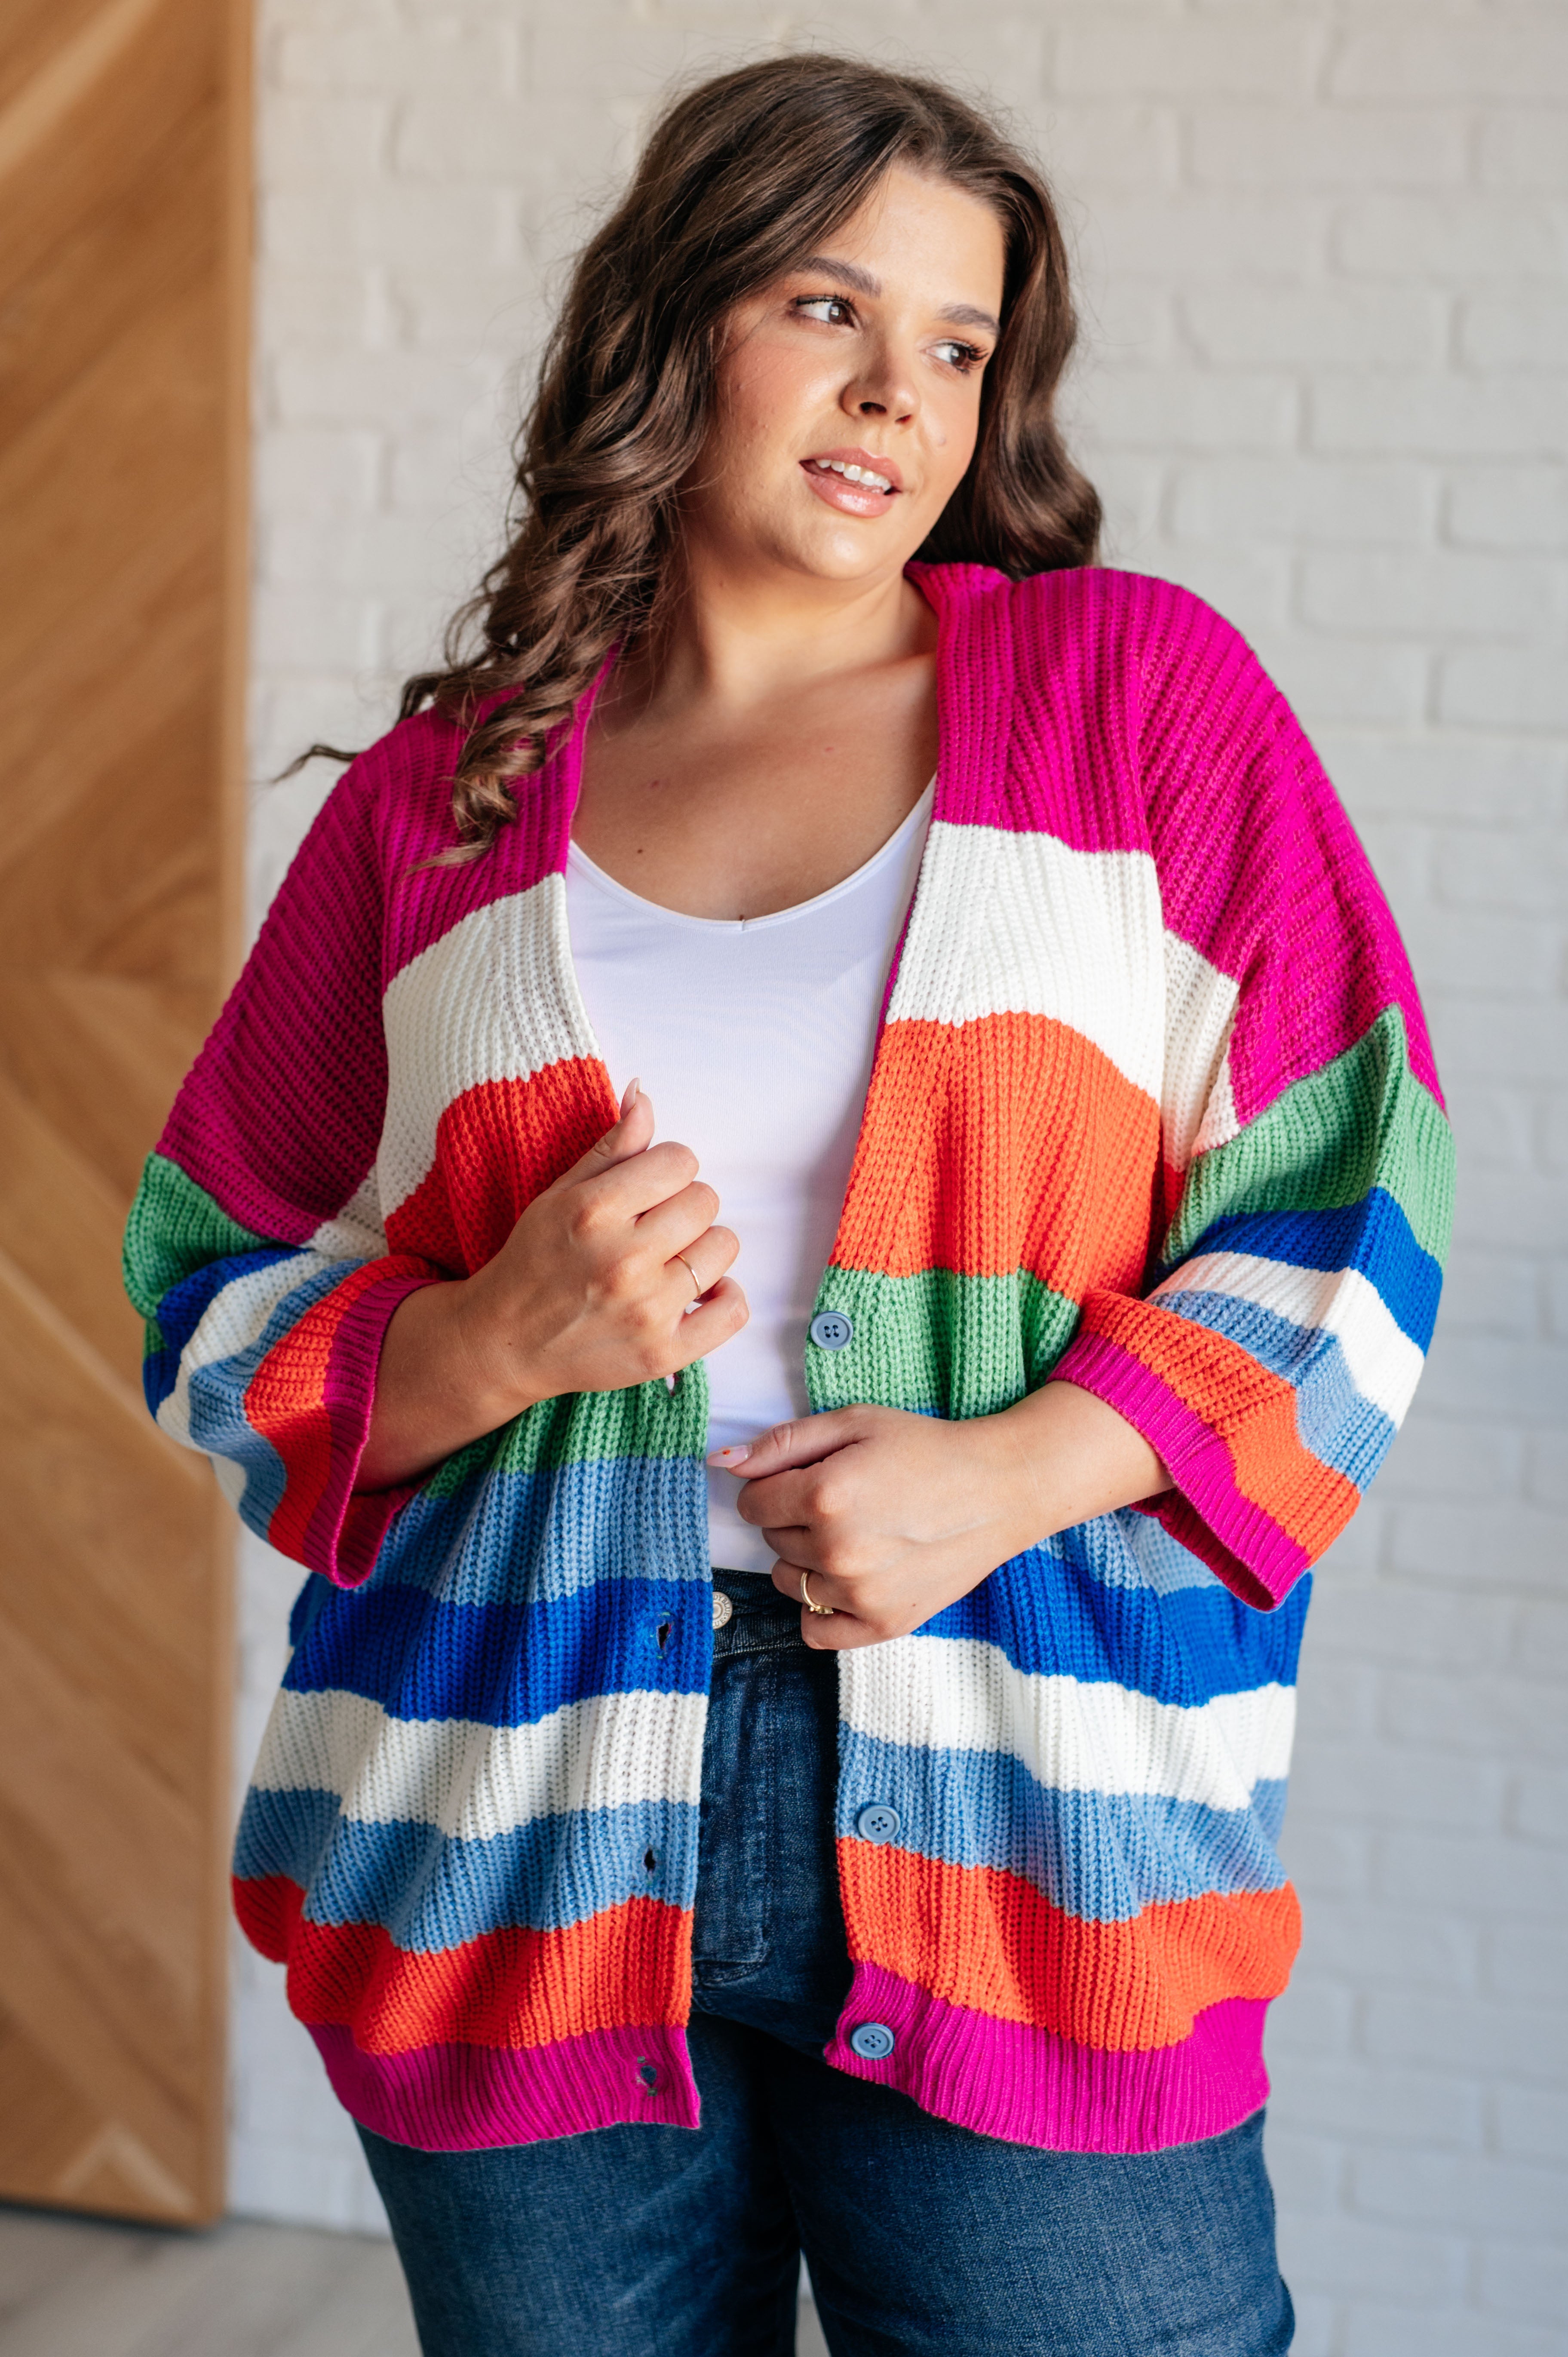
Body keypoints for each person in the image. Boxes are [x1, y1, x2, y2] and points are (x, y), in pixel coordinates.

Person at [124, 53, 1453, 2357]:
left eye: (959, 343)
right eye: (827, 307)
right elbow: (206, 1272)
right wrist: (483, 1342)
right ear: (678, 320)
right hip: (502, 1818)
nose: (895, 393)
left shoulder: (1137, 705)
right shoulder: (447, 805)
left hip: (1035, 1815)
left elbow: (1356, 1209)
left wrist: (1007, 1478)